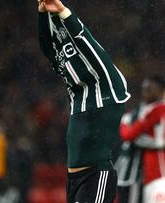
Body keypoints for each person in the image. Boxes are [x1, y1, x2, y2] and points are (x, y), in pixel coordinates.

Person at [37, 0, 131, 202]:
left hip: (96, 176)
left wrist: (63, 12)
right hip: (74, 178)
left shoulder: (109, 83)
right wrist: (42, 13)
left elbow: (84, 40)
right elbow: (47, 48)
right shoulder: (77, 94)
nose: (65, 64)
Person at [119, 76, 165, 203]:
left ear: (160, 91)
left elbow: (129, 135)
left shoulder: (156, 110)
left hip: (158, 173)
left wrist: (124, 122)